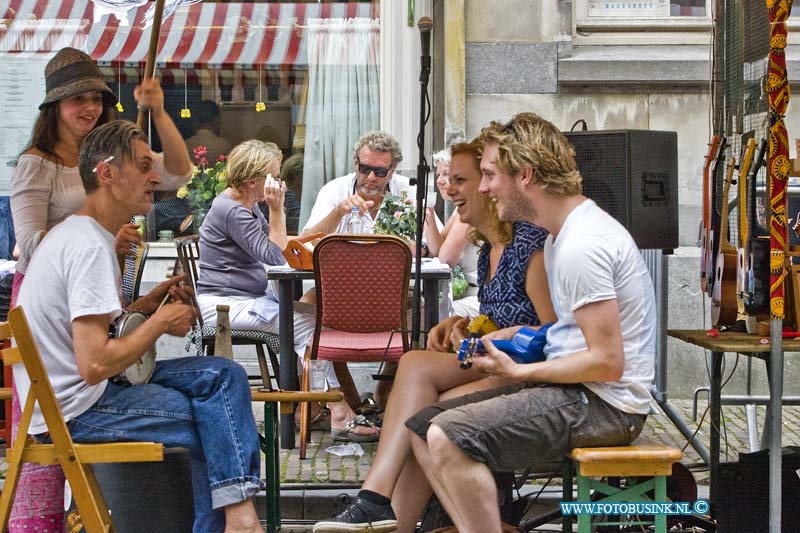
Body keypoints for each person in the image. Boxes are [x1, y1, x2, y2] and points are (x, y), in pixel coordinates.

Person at [402, 112, 656, 533]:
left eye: (488, 175)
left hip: (606, 406)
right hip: (580, 392)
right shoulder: (561, 237)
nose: (483, 188)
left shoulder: (582, 245)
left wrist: (521, 370)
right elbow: (571, 335)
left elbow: (608, 362)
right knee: (422, 427)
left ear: (525, 174)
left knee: (446, 435)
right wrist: (511, 336)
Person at [13, 120, 265, 533]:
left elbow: (92, 336)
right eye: (145, 165)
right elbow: (94, 363)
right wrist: (162, 321)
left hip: (76, 398)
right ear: (107, 173)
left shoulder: (80, 235)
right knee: (216, 417)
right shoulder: (88, 245)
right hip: (78, 410)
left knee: (224, 376)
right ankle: (237, 522)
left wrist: (146, 308)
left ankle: (236, 520)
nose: (155, 177)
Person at [313, 140, 557, 533]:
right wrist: (464, 327)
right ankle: (382, 508)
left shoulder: (527, 244)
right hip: (490, 361)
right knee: (413, 367)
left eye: (462, 180)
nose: (449, 188)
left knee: (422, 414)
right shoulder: (485, 247)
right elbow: (499, 318)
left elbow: (552, 332)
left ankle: (382, 505)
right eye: (450, 178)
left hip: (525, 374)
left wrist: (491, 335)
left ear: (490, 187)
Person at [8, 47, 192, 531]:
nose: (89, 108)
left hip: (97, 283)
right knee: (63, 421)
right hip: (50, 295)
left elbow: (177, 171)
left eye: (95, 98)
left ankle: (98, 514)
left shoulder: (115, 151)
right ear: (53, 109)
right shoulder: (37, 163)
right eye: (76, 101)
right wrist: (100, 234)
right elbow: (26, 245)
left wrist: (156, 110)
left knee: (103, 400)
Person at [195, 140, 367, 437]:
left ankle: (312, 406)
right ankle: (336, 408)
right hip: (223, 305)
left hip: (244, 299)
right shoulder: (233, 211)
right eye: (274, 176)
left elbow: (283, 247)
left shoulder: (245, 205)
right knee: (305, 325)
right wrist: (277, 208)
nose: (280, 183)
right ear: (253, 181)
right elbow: (275, 257)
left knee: (316, 317)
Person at [301, 130, 412, 235]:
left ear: (392, 170)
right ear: (356, 163)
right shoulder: (334, 190)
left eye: (380, 171)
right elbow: (307, 242)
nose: (371, 177)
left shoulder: (408, 190)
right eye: (365, 168)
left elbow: (426, 246)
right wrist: (338, 212)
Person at [425, 147, 481, 319]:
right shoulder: (459, 210)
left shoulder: (471, 206)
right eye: (438, 174)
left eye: (446, 174)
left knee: (429, 315)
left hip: (480, 297)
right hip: (470, 293)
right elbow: (437, 248)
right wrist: (428, 213)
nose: (440, 181)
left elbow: (446, 259)